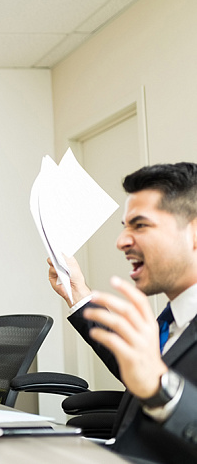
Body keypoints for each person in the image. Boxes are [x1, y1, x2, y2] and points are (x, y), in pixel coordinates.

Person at [47, 162, 197, 463]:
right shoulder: (172, 321)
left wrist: (162, 389)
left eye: (139, 225)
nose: (121, 241)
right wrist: (77, 293)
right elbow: (138, 370)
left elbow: (155, 381)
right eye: (125, 227)